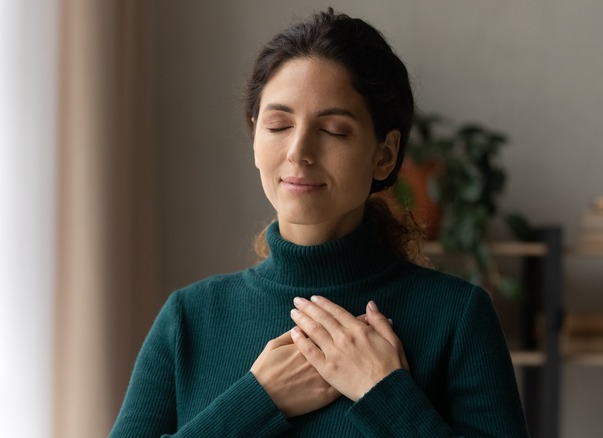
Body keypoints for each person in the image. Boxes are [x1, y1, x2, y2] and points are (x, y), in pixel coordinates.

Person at [110, 8, 529, 438]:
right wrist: (257, 401)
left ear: (384, 154)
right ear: (255, 137)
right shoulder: (189, 320)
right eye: (278, 125)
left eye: (333, 130)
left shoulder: (457, 317)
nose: (298, 151)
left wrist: (384, 394)